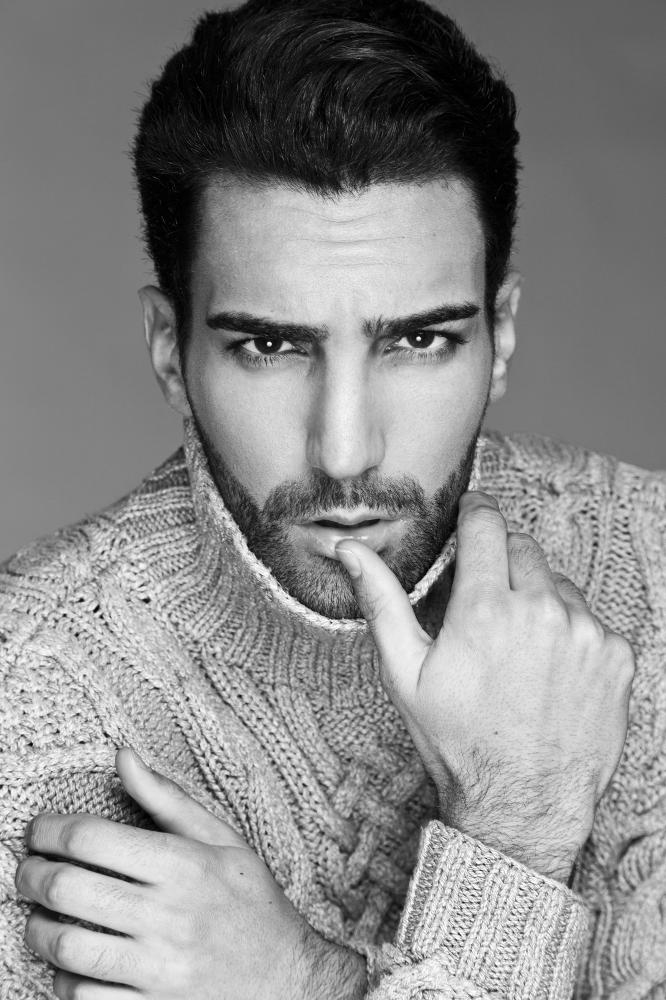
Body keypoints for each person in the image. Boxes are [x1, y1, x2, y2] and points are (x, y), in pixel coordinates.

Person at [1, 0, 664, 996]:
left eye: (418, 340)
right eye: (270, 346)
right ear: (170, 352)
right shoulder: (25, 697)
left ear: (502, 335)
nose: (346, 449)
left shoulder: (655, 566)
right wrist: (511, 844)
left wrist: (308, 981)